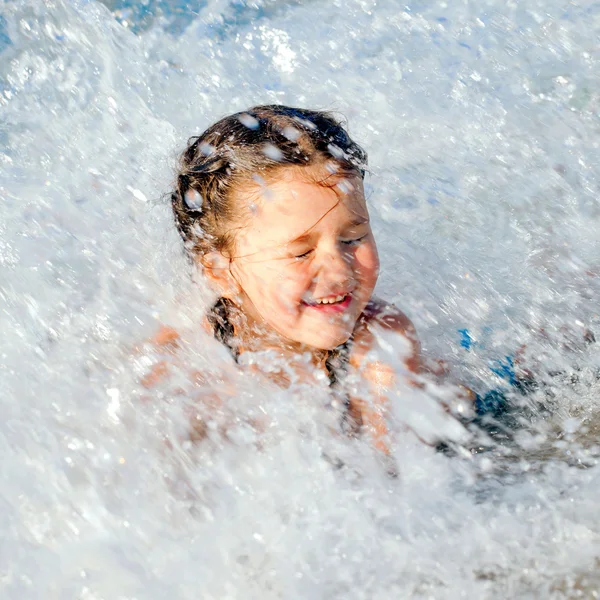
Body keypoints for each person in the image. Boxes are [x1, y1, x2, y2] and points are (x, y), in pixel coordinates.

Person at [148, 105, 464, 457]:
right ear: (220, 272)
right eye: (300, 253)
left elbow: (397, 477)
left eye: (352, 238)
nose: (339, 271)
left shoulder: (379, 341)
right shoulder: (187, 358)